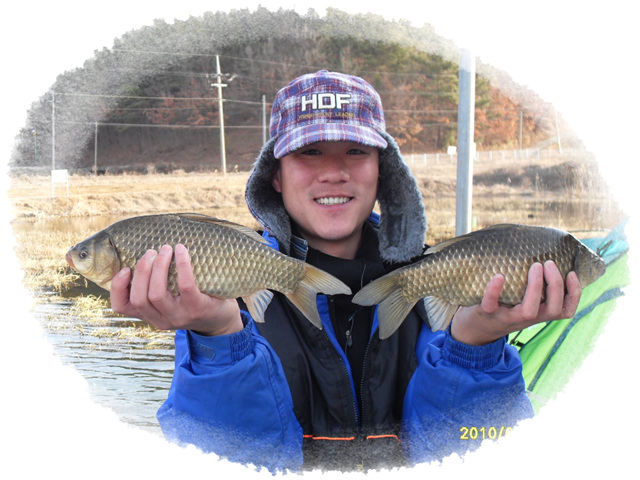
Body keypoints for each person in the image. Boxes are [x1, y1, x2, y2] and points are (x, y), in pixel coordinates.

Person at [110, 70, 582, 472]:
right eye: (309, 152)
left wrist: (475, 345)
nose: (333, 171)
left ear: (383, 170)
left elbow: (478, 456)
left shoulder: (442, 282)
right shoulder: (218, 297)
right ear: (275, 176)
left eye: (356, 151)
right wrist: (218, 339)